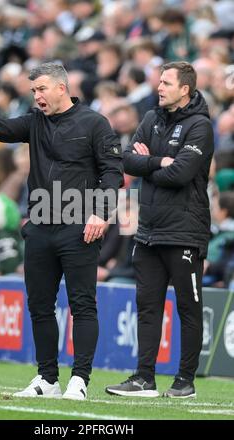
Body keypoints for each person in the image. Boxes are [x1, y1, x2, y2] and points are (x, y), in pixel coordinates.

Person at [0, 62, 124, 400]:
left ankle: (80, 381)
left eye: (41, 89)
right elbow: (0, 129)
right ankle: (47, 379)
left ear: (61, 88)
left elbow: (112, 172)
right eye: (34, 91)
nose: (37, 96)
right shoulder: (35, 122)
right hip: (40, 227)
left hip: (79, 226)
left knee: (82, 304)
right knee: (40, 306)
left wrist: (100, 213)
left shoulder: (95, 123)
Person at [105, 61, 214, 398]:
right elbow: (126, 160)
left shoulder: (200, 127)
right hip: (148, 229)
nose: (159, 87)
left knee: (187, 308)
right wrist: (158, 161)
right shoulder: (151, 118)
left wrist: (151, 163)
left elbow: (180, 175)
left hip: (184, 231)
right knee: (148, 306)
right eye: (159, 81)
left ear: (185, 89)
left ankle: (185, 381)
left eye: (166, 82)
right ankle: (143, 378)